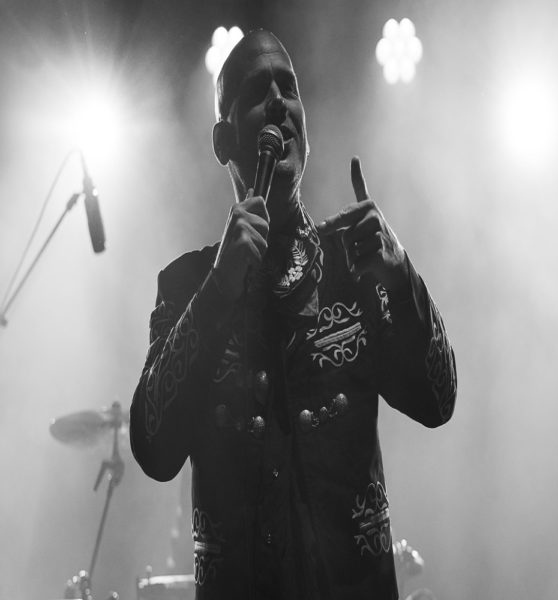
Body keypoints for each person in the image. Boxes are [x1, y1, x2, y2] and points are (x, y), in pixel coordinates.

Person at [129, 29, 457, 600]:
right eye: (259, 90)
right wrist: (219, 290)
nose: (280, 102)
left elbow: (439, 397)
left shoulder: (355, 264)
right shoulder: (185, 285)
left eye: (290, 88)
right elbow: (153, 448)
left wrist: (401, 275)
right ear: (223, 140)